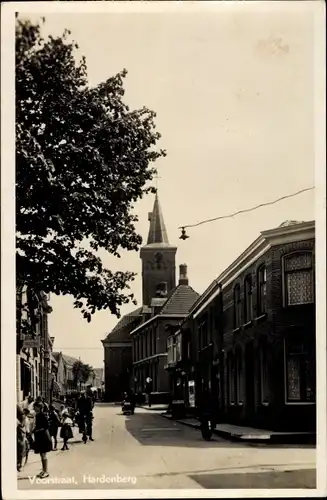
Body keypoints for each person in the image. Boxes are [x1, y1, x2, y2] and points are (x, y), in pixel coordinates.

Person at [33, 401, 52, 478]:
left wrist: (38, 430)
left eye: (35, 406)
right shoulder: (37, 415)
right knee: (41, 454)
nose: (34, 408)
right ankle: (43, 470)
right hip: (40, 436)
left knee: (43, 454)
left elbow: (46, 426)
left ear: (39, 407)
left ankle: (46, 471)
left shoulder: (42, 415)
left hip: (44, 437)